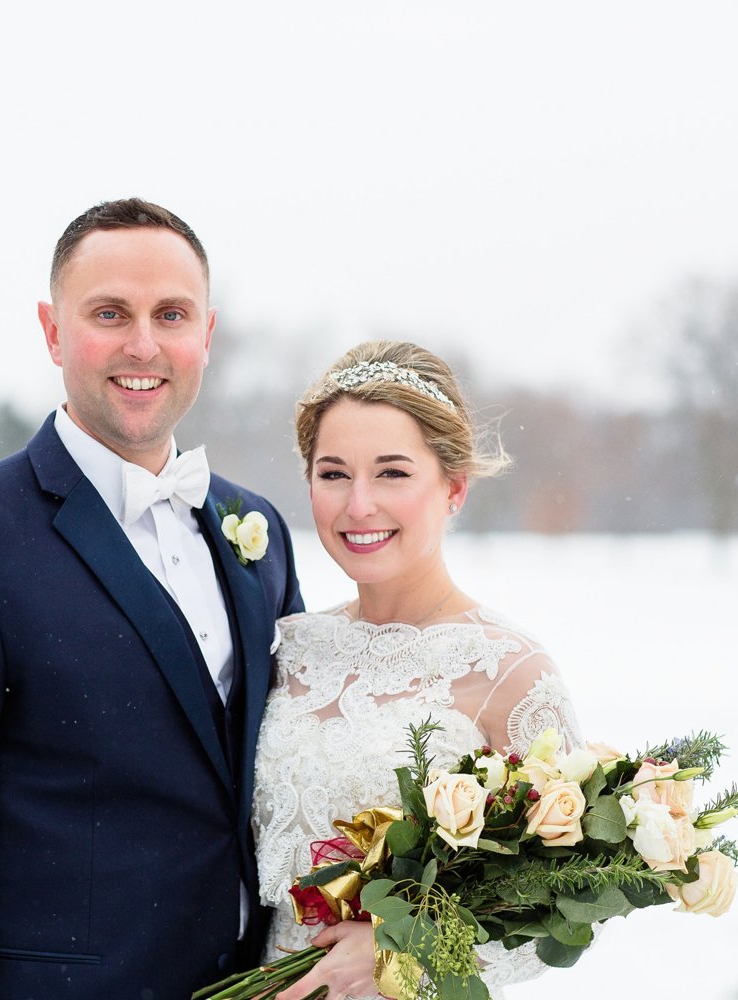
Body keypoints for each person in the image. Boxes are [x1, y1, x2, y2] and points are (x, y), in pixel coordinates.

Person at [0, 198, 303, 999]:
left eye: (171, 314)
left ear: (207, 334)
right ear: (53, 331)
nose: (143, 344)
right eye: (109, 313)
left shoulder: (252, 527)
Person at [252, 341, 584, 1000]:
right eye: (334, 473)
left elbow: (565, 907)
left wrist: (400, 945)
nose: (358, 505)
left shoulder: (510, 672)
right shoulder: (286, 649)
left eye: (393, 474)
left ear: (454, 487)